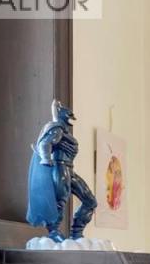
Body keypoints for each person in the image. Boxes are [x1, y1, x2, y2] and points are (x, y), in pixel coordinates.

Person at [26, 100, 97, 240]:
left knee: (90, 201)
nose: (71, 119)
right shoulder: (57, 128)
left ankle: (77, 232)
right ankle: (54, 232)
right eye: (69, 115)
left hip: (69, 169)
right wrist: (46, 159)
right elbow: (46, 143)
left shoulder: (62, 130)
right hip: (60, 168)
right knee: (60, 201)